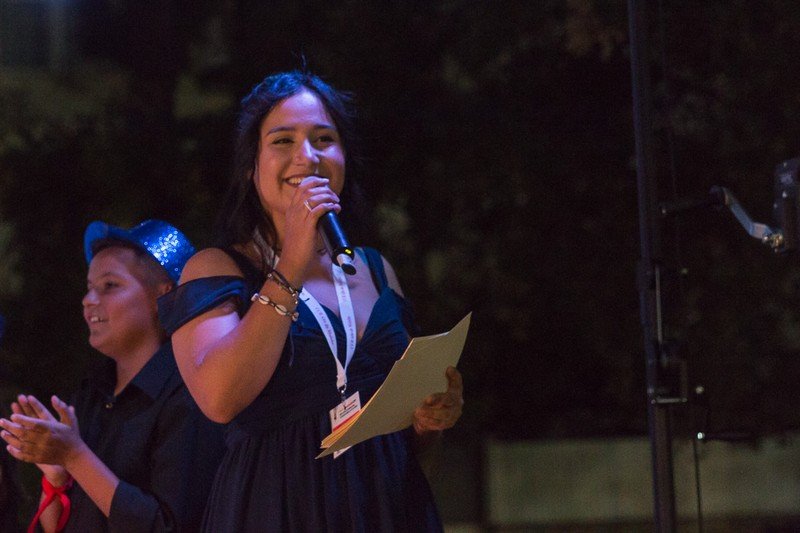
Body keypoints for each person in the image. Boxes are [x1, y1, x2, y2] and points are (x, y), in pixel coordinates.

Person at [157, 70, 465, 532]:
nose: (307, 156)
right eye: (283, 140)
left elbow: (411, 445)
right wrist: (291, 263)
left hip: (385, 506)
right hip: (276, 507)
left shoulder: (376, 270)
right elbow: (219, 399)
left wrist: (429, 421)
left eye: (324, 139)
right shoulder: (216, 270)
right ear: (251, 166)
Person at [0, 219, 225, 533]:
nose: (89, 300)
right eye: (89, 288)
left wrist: (76, 457)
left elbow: (169, 525)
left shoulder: (190, 394)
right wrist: (57, 477)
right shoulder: (91, 395)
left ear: (163, 296)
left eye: (109, 286)